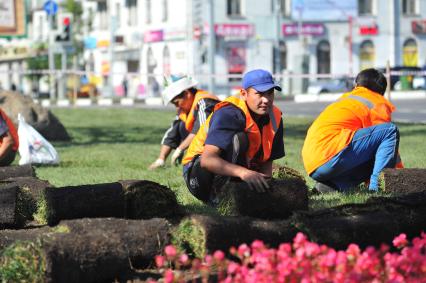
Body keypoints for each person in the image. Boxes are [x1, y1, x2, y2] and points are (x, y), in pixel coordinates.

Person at [181, 69, 285, 204]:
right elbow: (207, 161)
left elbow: (266, 161)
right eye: (259, 94)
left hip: (236, 171)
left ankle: (237, 193)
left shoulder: (275, 116)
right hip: (197, 173)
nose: (266, 99)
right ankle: (222, 197)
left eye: (270, 93)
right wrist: (244, 173)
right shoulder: (228, 113)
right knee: (240, 139)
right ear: (244, 94)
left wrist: (266, 188)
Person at [302, 68, 403, 193]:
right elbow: (390, 148)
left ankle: (333, 186)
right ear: (381, 92)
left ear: (356, 85)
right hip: (330, 154)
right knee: (390, 131)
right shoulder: (376, 102)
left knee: (376, 155)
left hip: (313, 163)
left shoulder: (347, 99)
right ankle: (377, 189)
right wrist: (401, 178)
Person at [148, 75, 220, 170]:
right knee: (180, 125)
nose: (177, 107)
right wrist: (161, 159)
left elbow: (201, 130)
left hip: (218, 142)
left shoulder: (205, 101)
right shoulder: (185, 108)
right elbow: (171, 133)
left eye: (177, 103)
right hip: (204, 142)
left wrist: (180, 149)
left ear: (187, 94)